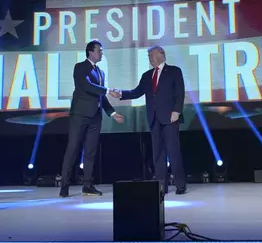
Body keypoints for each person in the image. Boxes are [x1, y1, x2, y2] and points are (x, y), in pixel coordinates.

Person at [110, 46, 186, 195]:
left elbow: (180, 92)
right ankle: (161, 186)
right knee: (158, 154)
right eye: (149, 56)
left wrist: (176, 111)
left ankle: (180, 185)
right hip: (154, 118)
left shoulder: (174, 71)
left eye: (152, 54)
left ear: (161, 54)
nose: (150, 58)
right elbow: (136, 92)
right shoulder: (147, 75)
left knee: (174, 152)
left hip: (170, 117)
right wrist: (120, 94)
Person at [59, 40, 124, 197]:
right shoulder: (80, 67)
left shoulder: (100, 73)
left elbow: (99, 96)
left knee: (90, 152)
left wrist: (112, 113)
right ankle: (64, 186)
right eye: (99, 50)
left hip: (95, 117)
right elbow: (86, 86)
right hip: (80, 115)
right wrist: (109, 90)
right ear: (90, 52)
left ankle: (87, 185)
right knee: (73, 149)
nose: (101, 53)